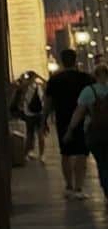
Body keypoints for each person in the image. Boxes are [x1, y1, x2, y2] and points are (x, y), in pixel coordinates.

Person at [44, 49, 93, 199]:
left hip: (62, 120)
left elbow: (48, 103)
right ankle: (79, 187)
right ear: (75, 60)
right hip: (82, 120)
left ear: (61, 61)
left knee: (65, 153)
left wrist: (43, 120)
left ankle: (69, 186)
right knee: (81, 153)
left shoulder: (54, 80)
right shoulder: (86, 78)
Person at [66, 62, 108, 199]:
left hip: (95, 133)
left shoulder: (88, 91)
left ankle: (106, 189)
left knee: (102, 163)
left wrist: (70, 130)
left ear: (95, 76)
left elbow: (78, 113)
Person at [13, 72, 45, 159]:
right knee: (39, 135)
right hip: (39, 113)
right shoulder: (38, 86)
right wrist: (40, 77)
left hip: (29, 114)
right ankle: (41, 154)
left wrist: (22, 77)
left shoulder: (25, 87)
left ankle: (28, 153)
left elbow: (16, 86)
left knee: (30, 134)